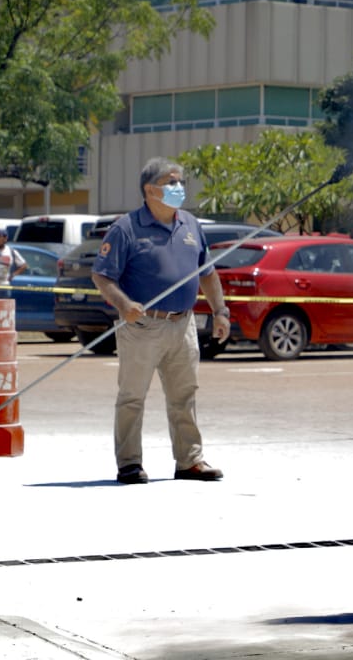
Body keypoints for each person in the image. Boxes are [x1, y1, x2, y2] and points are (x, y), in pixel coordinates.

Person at [91, 158, 230, 485]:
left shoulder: (191, 225)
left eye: (180, 181)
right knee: (132, 397)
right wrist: (124, 304)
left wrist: (220, 311)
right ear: (149, 189)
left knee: (184, 395)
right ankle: (129, 463)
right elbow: (102, 276)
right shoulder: (126, 228)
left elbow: (207, 273)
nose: (178, 187)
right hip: (142, 328)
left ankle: (189, 461)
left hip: (183, 325)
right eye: (171, 182)